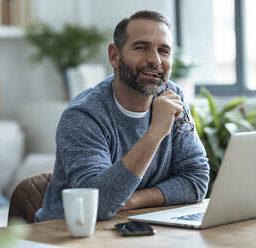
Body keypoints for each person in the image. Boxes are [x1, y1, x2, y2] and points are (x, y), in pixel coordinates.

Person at [35, 10, 209, 222]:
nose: (155, 60)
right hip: (65, 234)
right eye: (141, 47)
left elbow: (196, 179)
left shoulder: (173, 97)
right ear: (114, 56)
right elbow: (96, 204)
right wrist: (154, 134)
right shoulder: (83, 115)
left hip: (138, 223)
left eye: (163, 51)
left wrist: (131, 200)